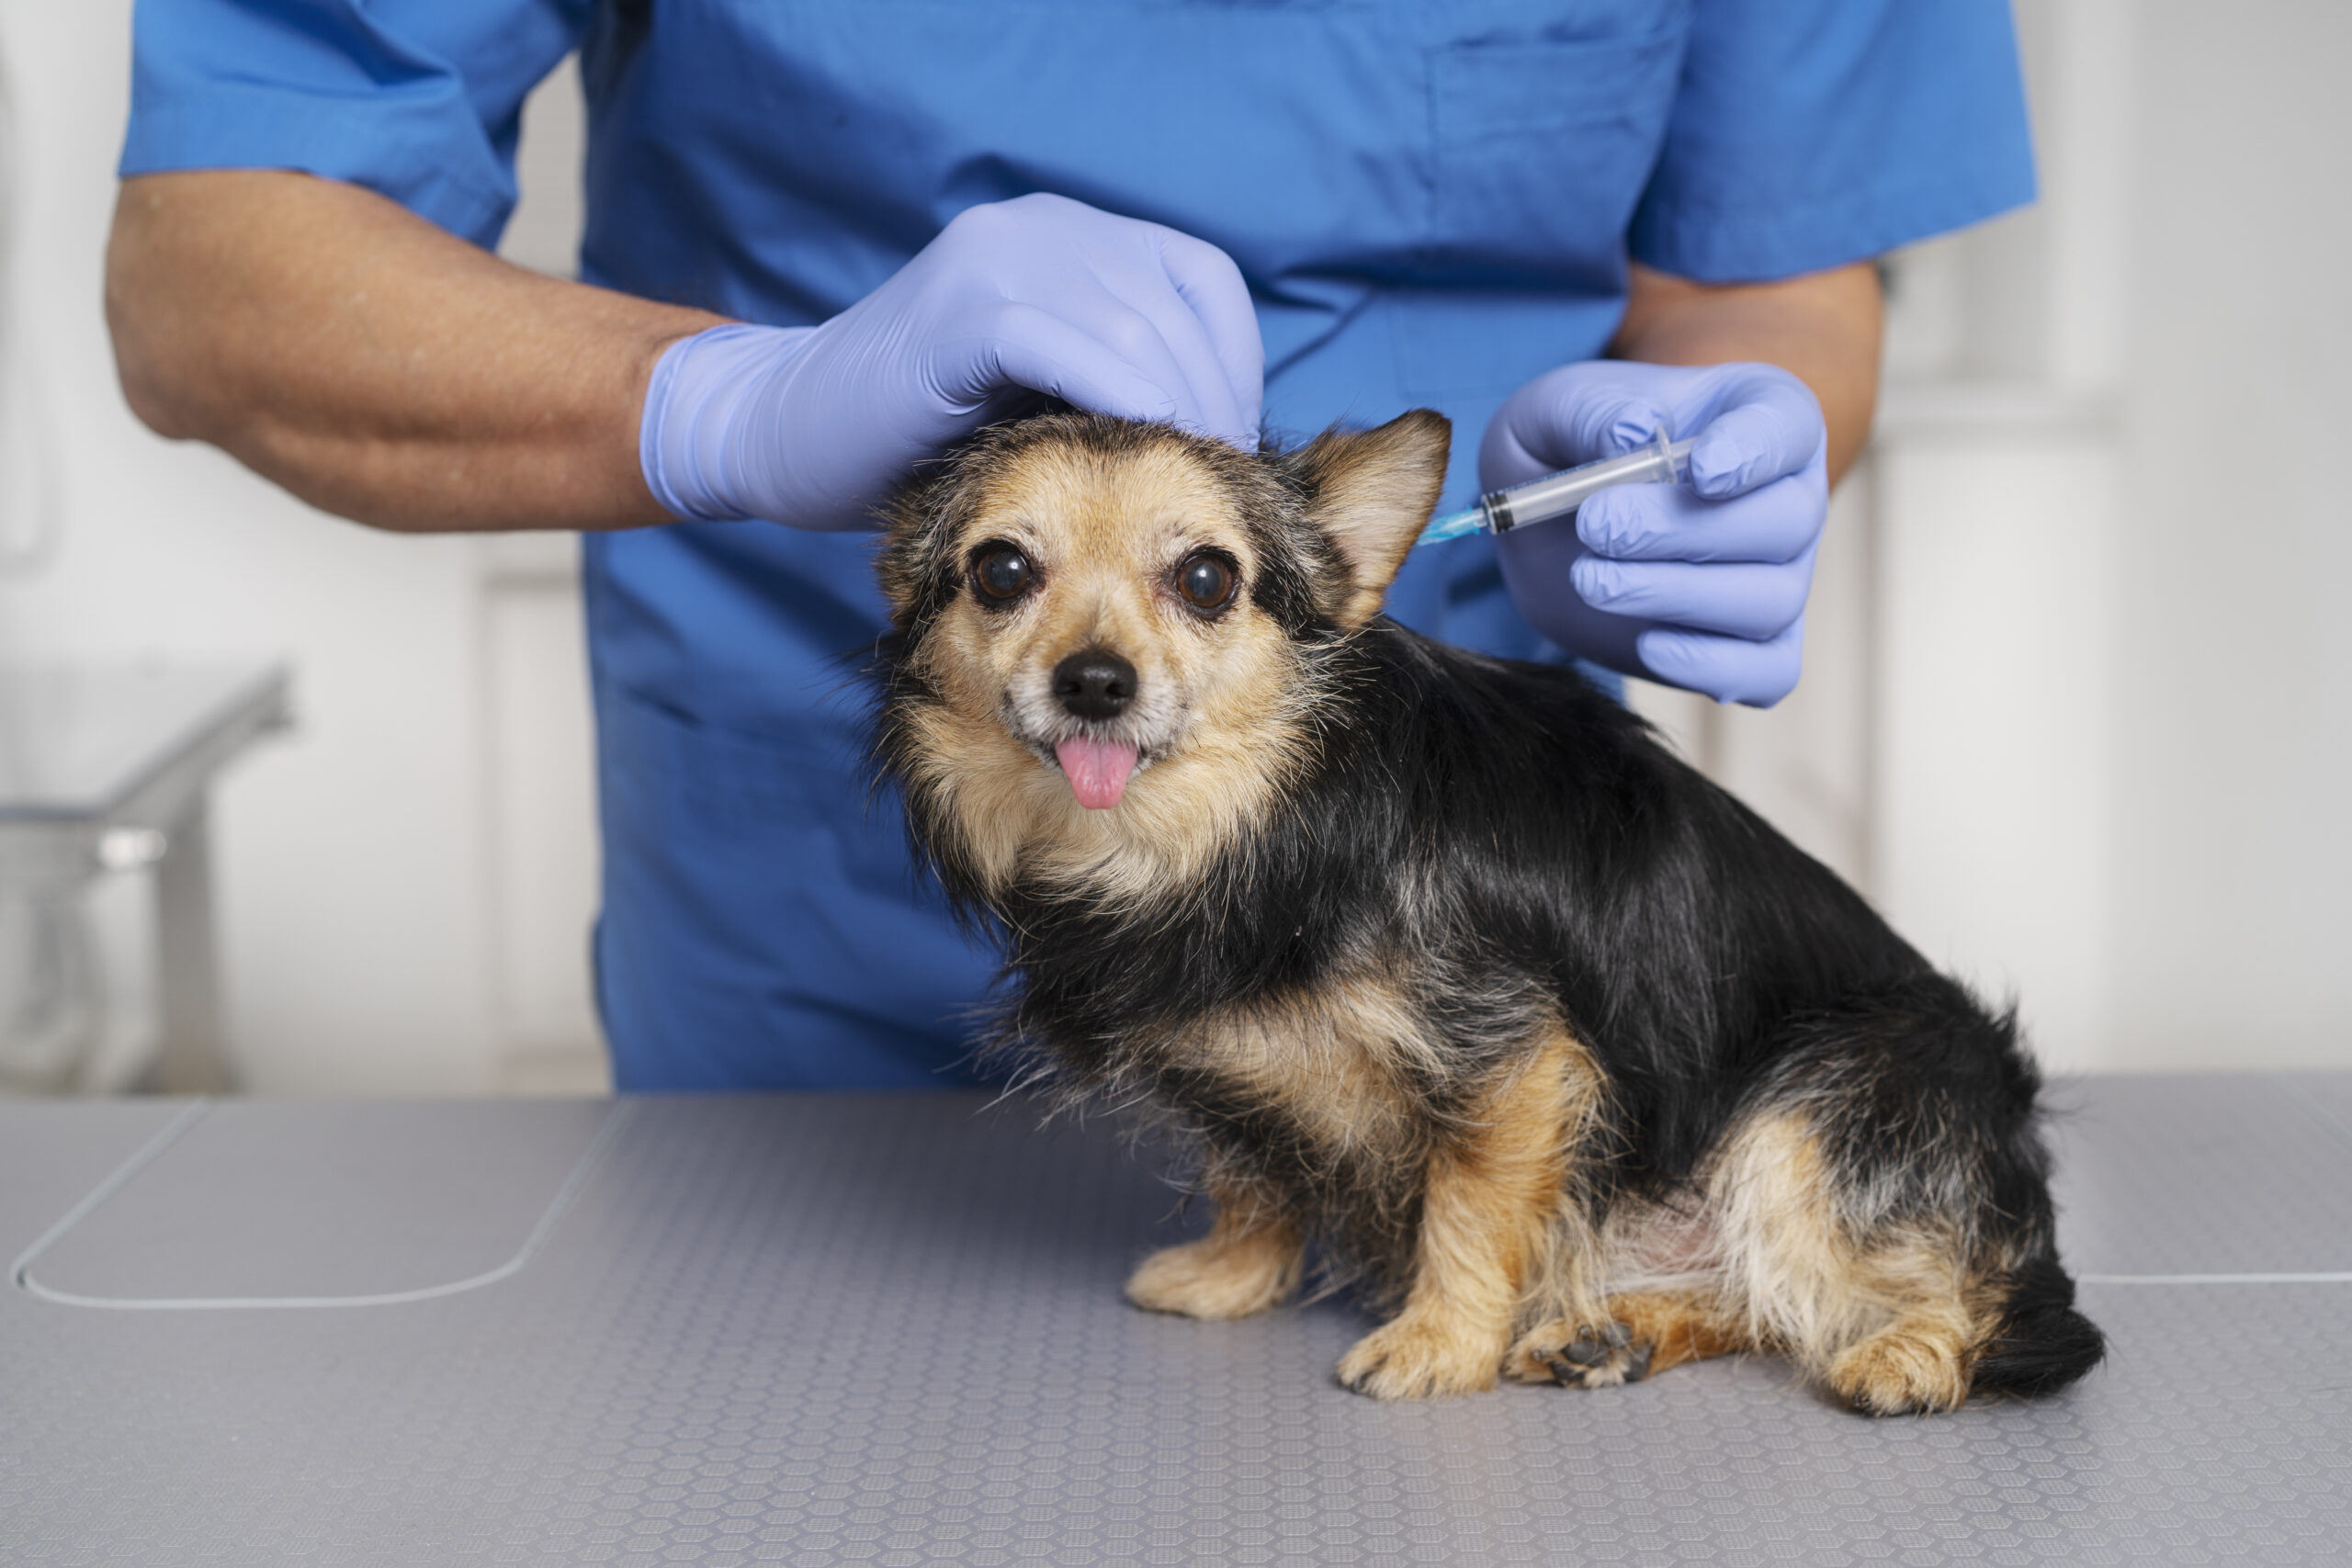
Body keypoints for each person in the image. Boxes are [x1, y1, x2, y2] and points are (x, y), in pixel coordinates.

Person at [107, 2, 2033, 1091]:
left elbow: (1769, 274)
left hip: (1446, 948)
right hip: (824, 985)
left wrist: (1698, 448)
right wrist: (745, 404)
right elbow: (208, 272)